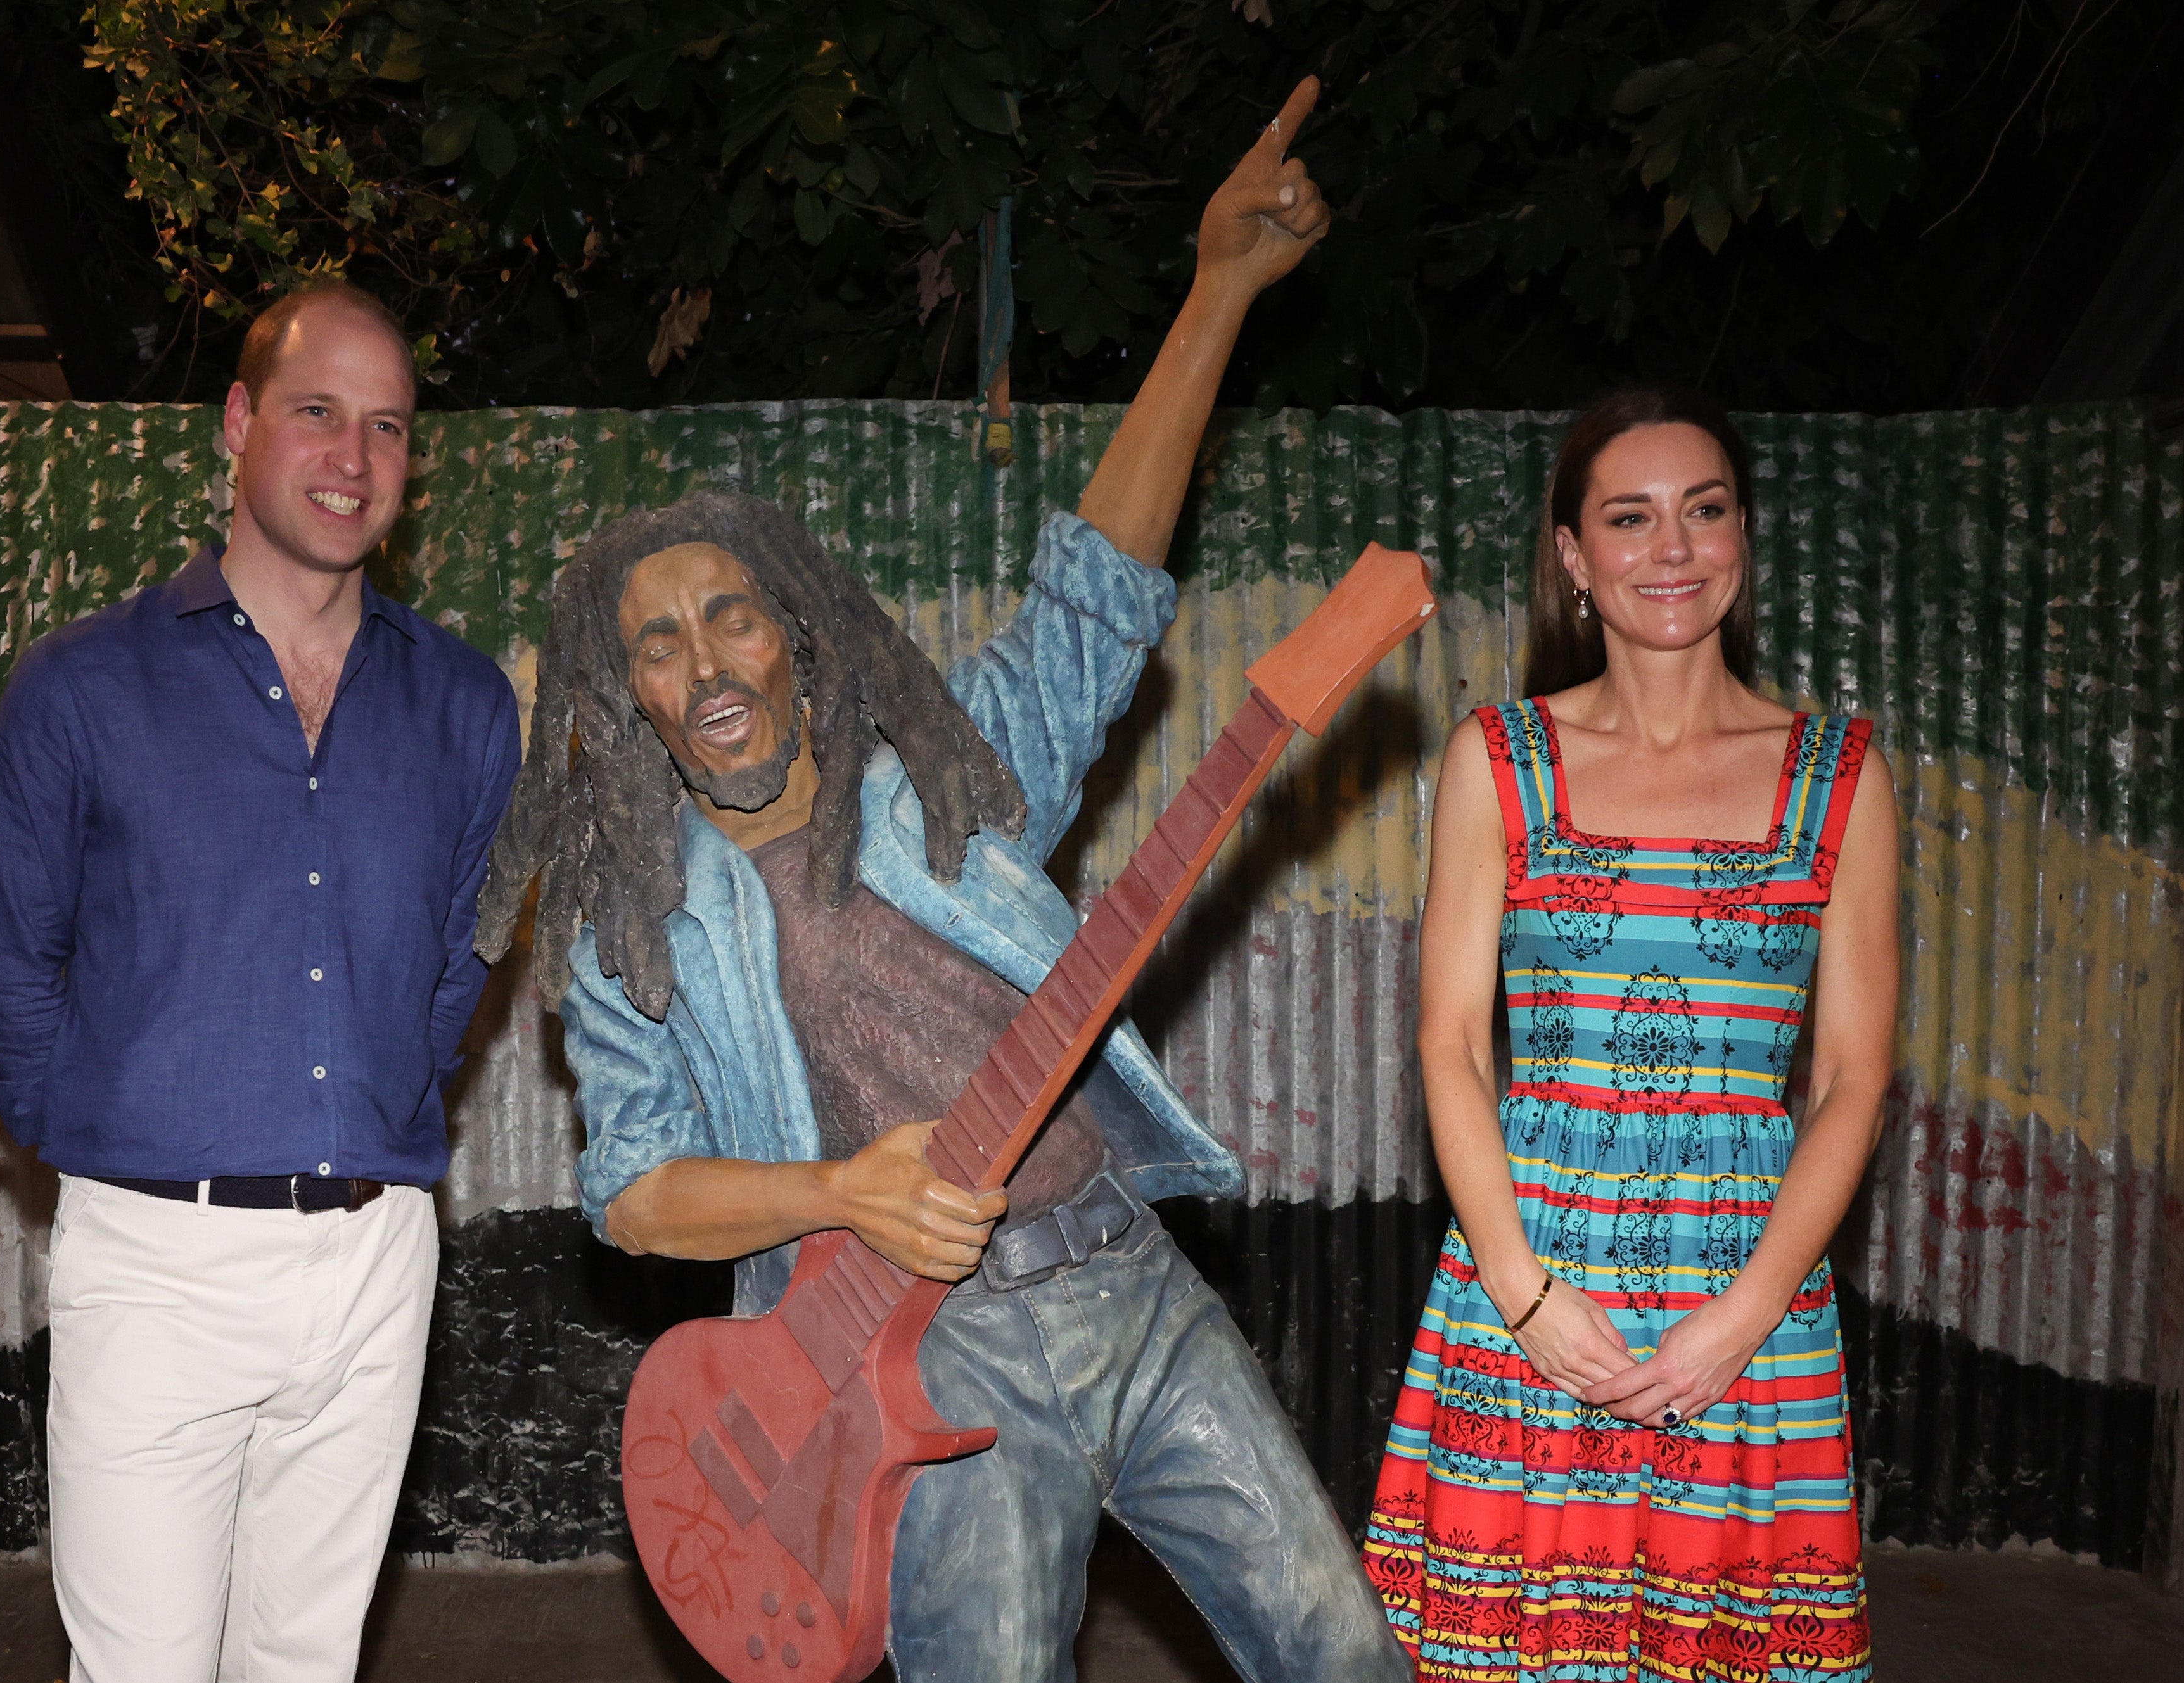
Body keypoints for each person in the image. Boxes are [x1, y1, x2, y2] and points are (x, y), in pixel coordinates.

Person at [476, 79, 1402, 1683]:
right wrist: (839, 1195)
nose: (703, 659)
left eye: (733, 616)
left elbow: (1097, 588)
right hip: (922, 1368)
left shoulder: (951, 787)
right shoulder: (639, 928)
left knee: (1339, 1652)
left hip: (1130, 1282)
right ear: (621, 695)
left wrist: (1216, 293)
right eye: (656, 641)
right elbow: (631, 1192)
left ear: (800, 634)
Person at [0, 279, 521, 1683]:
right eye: (318, 412)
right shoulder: (82, 688)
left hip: (379, 1256)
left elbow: (462, 952)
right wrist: (116, 1127)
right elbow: (4, 960)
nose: (352, 458)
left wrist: (380, 1098)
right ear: (238, 422)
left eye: (387, 428)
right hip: (158, 1265)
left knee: (306, 1663)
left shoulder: (462, 703)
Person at [1363, 388, 1897, 1680]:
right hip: (1535, 1282)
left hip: (1744, 1295)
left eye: (1704, 513)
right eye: (1630, 517)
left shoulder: (1839, 775)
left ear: (1743, 536)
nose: (1673, 549)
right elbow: (1450, 1044)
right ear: (1572, 557)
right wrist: (1523, 1291)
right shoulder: (1500, 759)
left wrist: (1745, 1314)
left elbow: (1848, 1076)